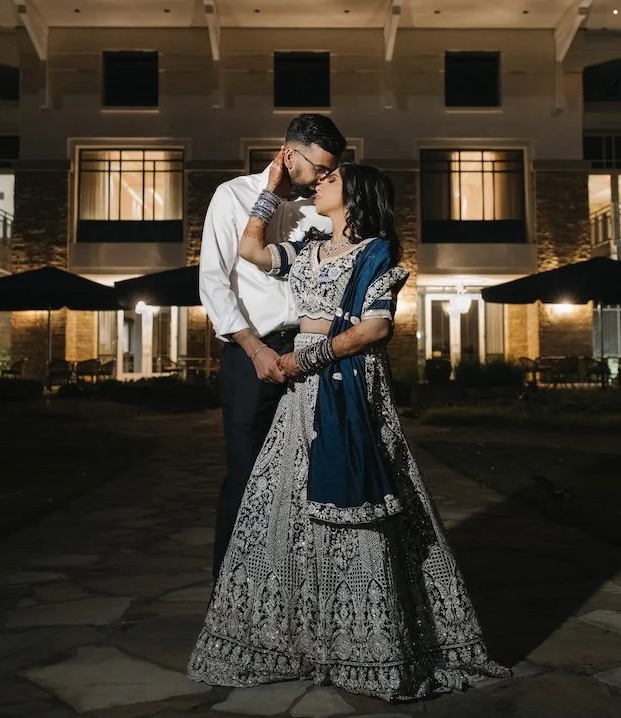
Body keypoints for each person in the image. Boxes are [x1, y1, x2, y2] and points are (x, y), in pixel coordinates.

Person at [187, 160, 507, 701]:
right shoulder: (309, 247)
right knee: (286, 505)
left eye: (331, 180)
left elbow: (375, 327)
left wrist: (306, 359)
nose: (319, 184)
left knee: (355, 496)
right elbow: (250, 252)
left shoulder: (376, 251)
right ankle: (302, 635)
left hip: (345, 384)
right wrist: (267, 194)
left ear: (354, 197)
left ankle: (368, 640)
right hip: (300, 391)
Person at [199, 113, 347, 581]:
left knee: (307, 479)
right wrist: (254, 349)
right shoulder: (232, 196)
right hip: (251, 352)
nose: (324, 179)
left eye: (330, 171)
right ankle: (231, 596)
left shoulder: (318, 209)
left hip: (309, 355)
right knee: (246, 478)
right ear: (289, 154)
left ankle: (291, 593)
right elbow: (213, 283)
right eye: (319, 168)